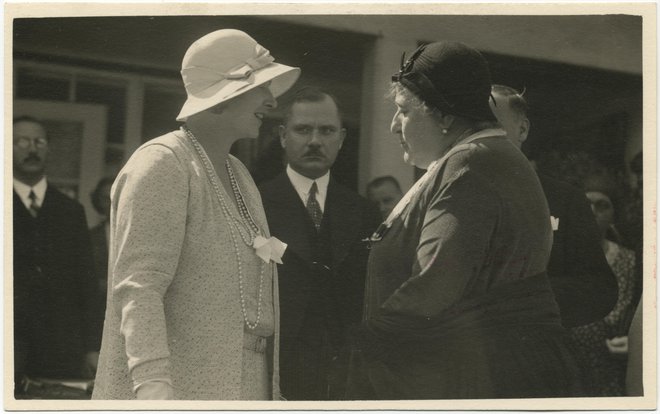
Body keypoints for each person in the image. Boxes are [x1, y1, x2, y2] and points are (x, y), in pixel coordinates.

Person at [346, 41, 584, 399]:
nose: (395, 126)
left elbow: (435, 282)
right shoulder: (484, 156)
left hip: (472, 379)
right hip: (481, 369)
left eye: (404, 111)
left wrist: (361, 341)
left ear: (444, 115)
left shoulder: (471, 162)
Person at [92, 29, 300, 400]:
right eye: (260, 87)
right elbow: (139, 286)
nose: (271, 101)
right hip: (181, 388)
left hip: (248, 388)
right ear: (223, 97)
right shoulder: (163, 163)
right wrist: (153, 385)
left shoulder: (240, 175)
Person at [259, 87, 380, 400]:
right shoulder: (254, 202)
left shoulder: (364, 210)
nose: (315, 141)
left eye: (326, 131)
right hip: (274, 366)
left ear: (340, 139)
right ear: (283, 136)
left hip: (343, 371)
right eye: (303, 130)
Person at [489, 84, 618, 329]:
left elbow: (599, 288)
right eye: (473, 129)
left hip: (535, 347)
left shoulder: (564, 199)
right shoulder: (454, 196)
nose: (482, 138)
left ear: (522, 129)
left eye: (493, 125)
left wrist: (526, 298)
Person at [13, 116, 100, 397]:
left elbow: (86, 282)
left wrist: (91, 347)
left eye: (39, 141)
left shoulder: (70, 211)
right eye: (21, 142)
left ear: (49, 149)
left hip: (59, 348)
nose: (31, 149)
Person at [569, 176, 637, 396]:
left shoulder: (631, 262)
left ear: (613, 215)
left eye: (603, 205)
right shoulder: (560, 259)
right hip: (571, 369)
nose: (593, 211)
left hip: (614, 369)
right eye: (587, 203)